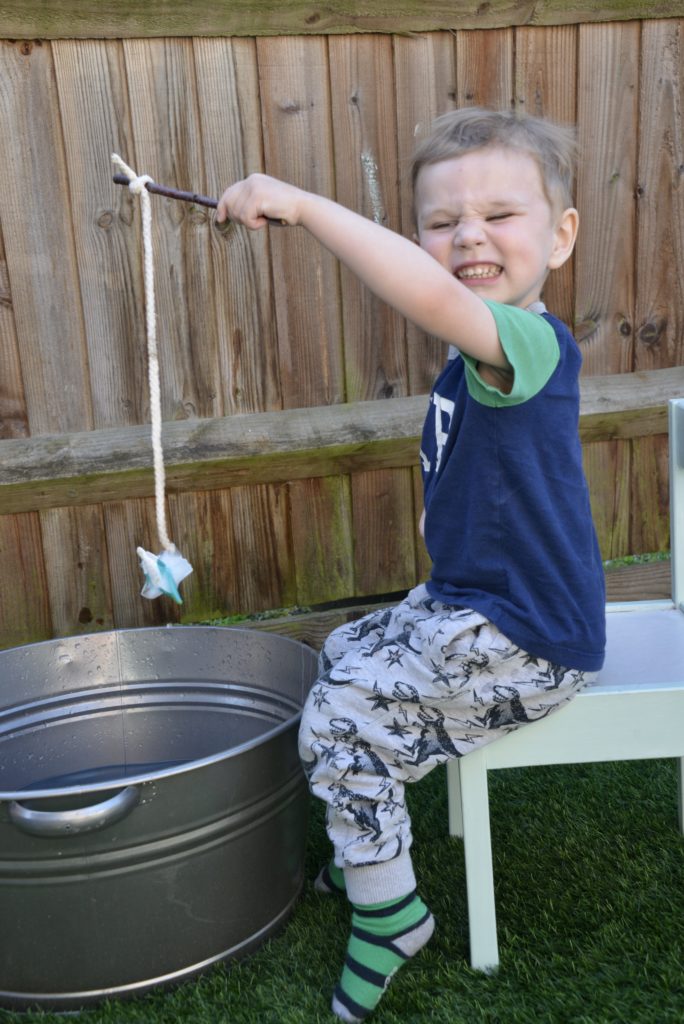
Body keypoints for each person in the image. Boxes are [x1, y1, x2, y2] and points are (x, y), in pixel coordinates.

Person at [217, 107, 606, 1023]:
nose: (468, 233)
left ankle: (390, 913)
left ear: (561, 237)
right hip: (475, 603)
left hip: (530, 638)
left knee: (344, 711)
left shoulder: (531, 345)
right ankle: (369, 833)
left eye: (500, 214)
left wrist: (305, 206)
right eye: (441, 221)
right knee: (345, 648)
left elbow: (433, 300)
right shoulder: (477, 351)